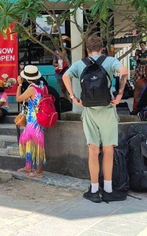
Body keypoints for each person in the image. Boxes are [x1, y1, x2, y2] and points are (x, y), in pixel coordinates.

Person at [63, 35, 128, 203]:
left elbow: (65, 76)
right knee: (108, 150)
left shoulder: (80, 64)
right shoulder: (110, 61)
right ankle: (107, 189)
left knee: (93, 150)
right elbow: (124, 71)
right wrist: (120, 94)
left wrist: (73, 97)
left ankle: (93, 190)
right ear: (101, 49)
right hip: (107, 109)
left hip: (89, 111)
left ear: (87, 50)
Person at [16, 65, 47, 178]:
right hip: (36, 118)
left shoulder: (32, 89)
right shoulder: (42, 86)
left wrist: (19, 84)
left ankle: (39, 171)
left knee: (37, 144)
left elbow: (18, 98)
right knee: (28, 141)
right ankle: (28, 166)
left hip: (34, 120)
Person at [52, 35, 71, 100]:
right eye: (62, 42)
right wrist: (58, 65)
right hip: (60, 73)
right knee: (63, 90)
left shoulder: (71, 51)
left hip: (69, 73)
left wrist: (68, 39)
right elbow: (54, 63)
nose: (63, 43)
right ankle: (66, 104)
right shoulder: (57, 52)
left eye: (64, 41)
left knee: (70, 91)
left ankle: (72, 105)